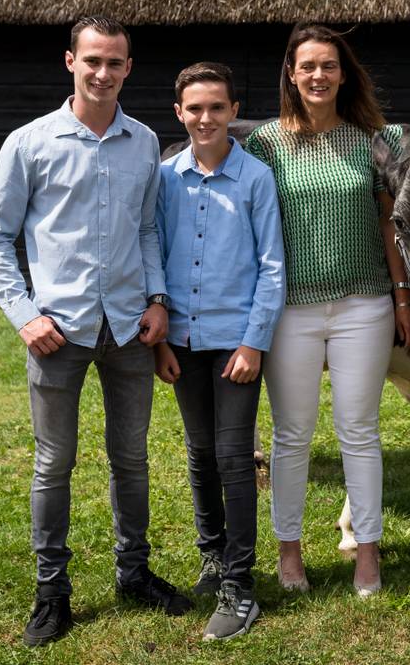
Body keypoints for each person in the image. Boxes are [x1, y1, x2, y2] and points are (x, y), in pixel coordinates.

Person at [0, 15, 192, 647]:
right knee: (54, 463)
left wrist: (158, 299)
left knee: (131, 458)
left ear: (129, 68)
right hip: (58, 331)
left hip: (129, 328)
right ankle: (53, 593)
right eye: (92, 60)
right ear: (70, 61)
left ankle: (135, 573)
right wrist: (25, 315)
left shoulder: (146, 141)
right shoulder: (29, 143)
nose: (103, 73)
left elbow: (148, 229)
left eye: (115, 63)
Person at [244, 24, 410, 598]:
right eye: (306, 67)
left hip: (362, 305)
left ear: (343, 74)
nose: (317, 76)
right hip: (288, 309)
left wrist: (401, 296)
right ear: (291, 76)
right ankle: (288, 551)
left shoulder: (375, 139)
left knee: (359, 431)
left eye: (328, 66)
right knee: (291, 435)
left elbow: (390, 225)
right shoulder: (264, 144)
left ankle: (367, 552)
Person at [153, 62, 285, 640]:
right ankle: (211, 556)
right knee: (199, 452)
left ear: (234, 111)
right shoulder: (165, 178)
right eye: (194, 109)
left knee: (235, 458)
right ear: (179, 113)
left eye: (217, 107)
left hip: (236, 345)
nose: (206, 118)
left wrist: (254, 342)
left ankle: (240, 585)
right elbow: (153, 249)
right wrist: (159, 338)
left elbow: (272, 267)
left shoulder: (256, 178)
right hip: (181, 341)